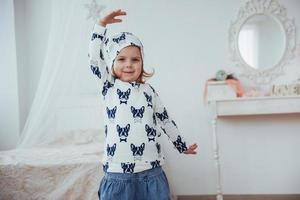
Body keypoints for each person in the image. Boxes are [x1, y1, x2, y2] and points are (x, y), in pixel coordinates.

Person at [88, 9, 198, 200]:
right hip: (117, 173)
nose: (129, 64)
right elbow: (94, 59)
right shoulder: (108, 87)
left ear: (142, 62)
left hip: (151, 172)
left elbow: (165, 120)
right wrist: (100, 25)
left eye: (135, 59)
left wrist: (181, 145)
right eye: (121, 59)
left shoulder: (149, 92)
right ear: (112, 62)